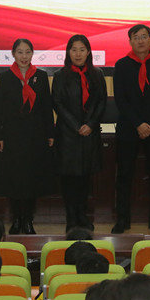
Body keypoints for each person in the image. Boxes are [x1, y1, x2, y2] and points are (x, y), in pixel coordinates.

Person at [0, 38, 55, 235]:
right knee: (14, 179)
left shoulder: (41, 77)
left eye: (28, 52)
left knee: (31, 179)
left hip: (36, 136)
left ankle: (28, 220)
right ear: (13, 54)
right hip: (11, 136)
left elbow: (46, 108)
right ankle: (16, 219)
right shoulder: (4, 78)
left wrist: (50, 133)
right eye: (20, 52)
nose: (24, 56)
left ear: (32, 54)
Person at [112, 24, 150, 233]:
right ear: (130, 41)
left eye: (144, 36)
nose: (140, 41)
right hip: (129, 129)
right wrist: (138, 123)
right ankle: (122, 219)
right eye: (136, 37)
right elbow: (121, 99)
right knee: (124, 176)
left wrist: (149, 124)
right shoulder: (121, 65)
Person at [52, 34, 107, 232]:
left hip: (89, 134)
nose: (78, 54)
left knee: (85, 178)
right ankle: (71, 217)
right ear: (68, 52)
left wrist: (90, 124)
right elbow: (57, 103)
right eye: (74, 50)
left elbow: (101, 101)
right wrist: (76, 126)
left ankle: (83, 215)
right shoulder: (60, 75)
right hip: (68, 135)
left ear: (88, 52)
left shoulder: (97, 74)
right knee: (69, 179)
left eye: (82, 50)